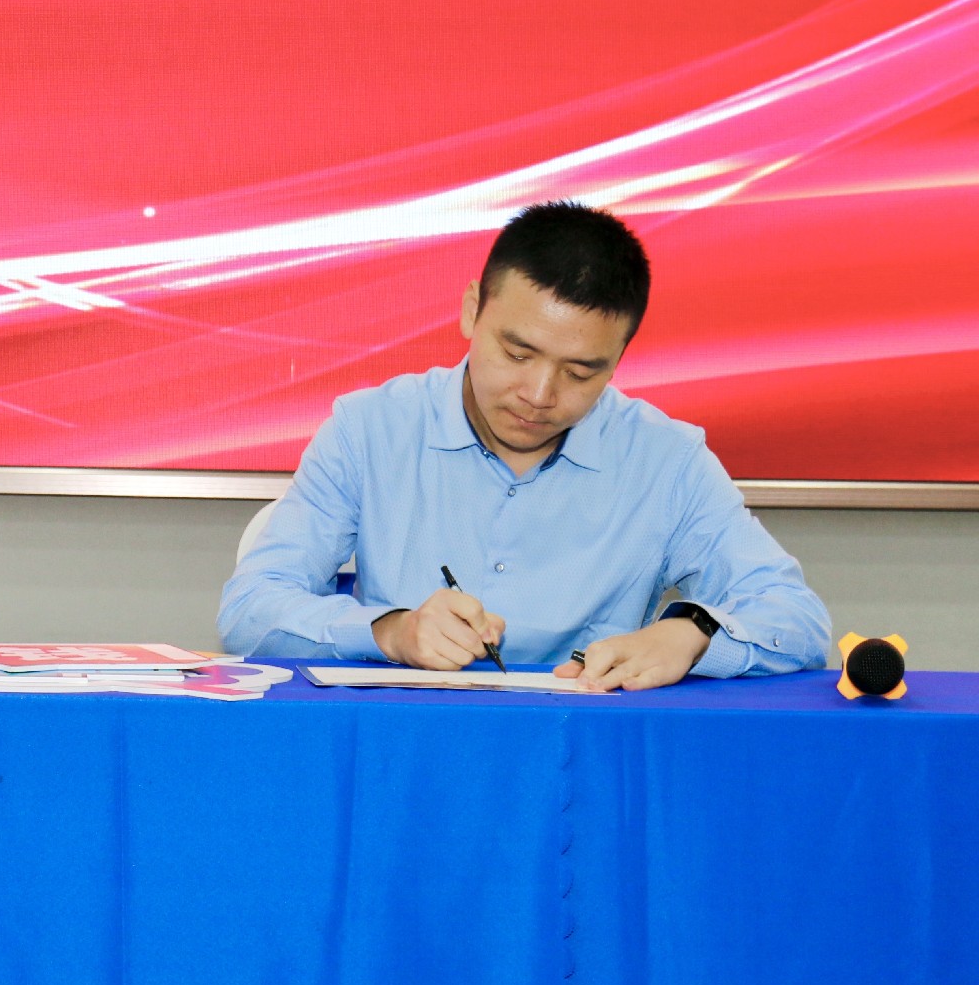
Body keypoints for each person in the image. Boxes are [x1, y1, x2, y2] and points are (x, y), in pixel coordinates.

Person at [218, 201, 829, 691]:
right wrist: (391, 633)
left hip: (581, 755)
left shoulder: (667, 460)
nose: (539, 395)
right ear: (471, 312)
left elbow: (796, 617)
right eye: (516, 353)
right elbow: (251, 609)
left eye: (581, 372)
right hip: (405, 746)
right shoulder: (371, 429)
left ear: (618, 360)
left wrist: (692, 632)